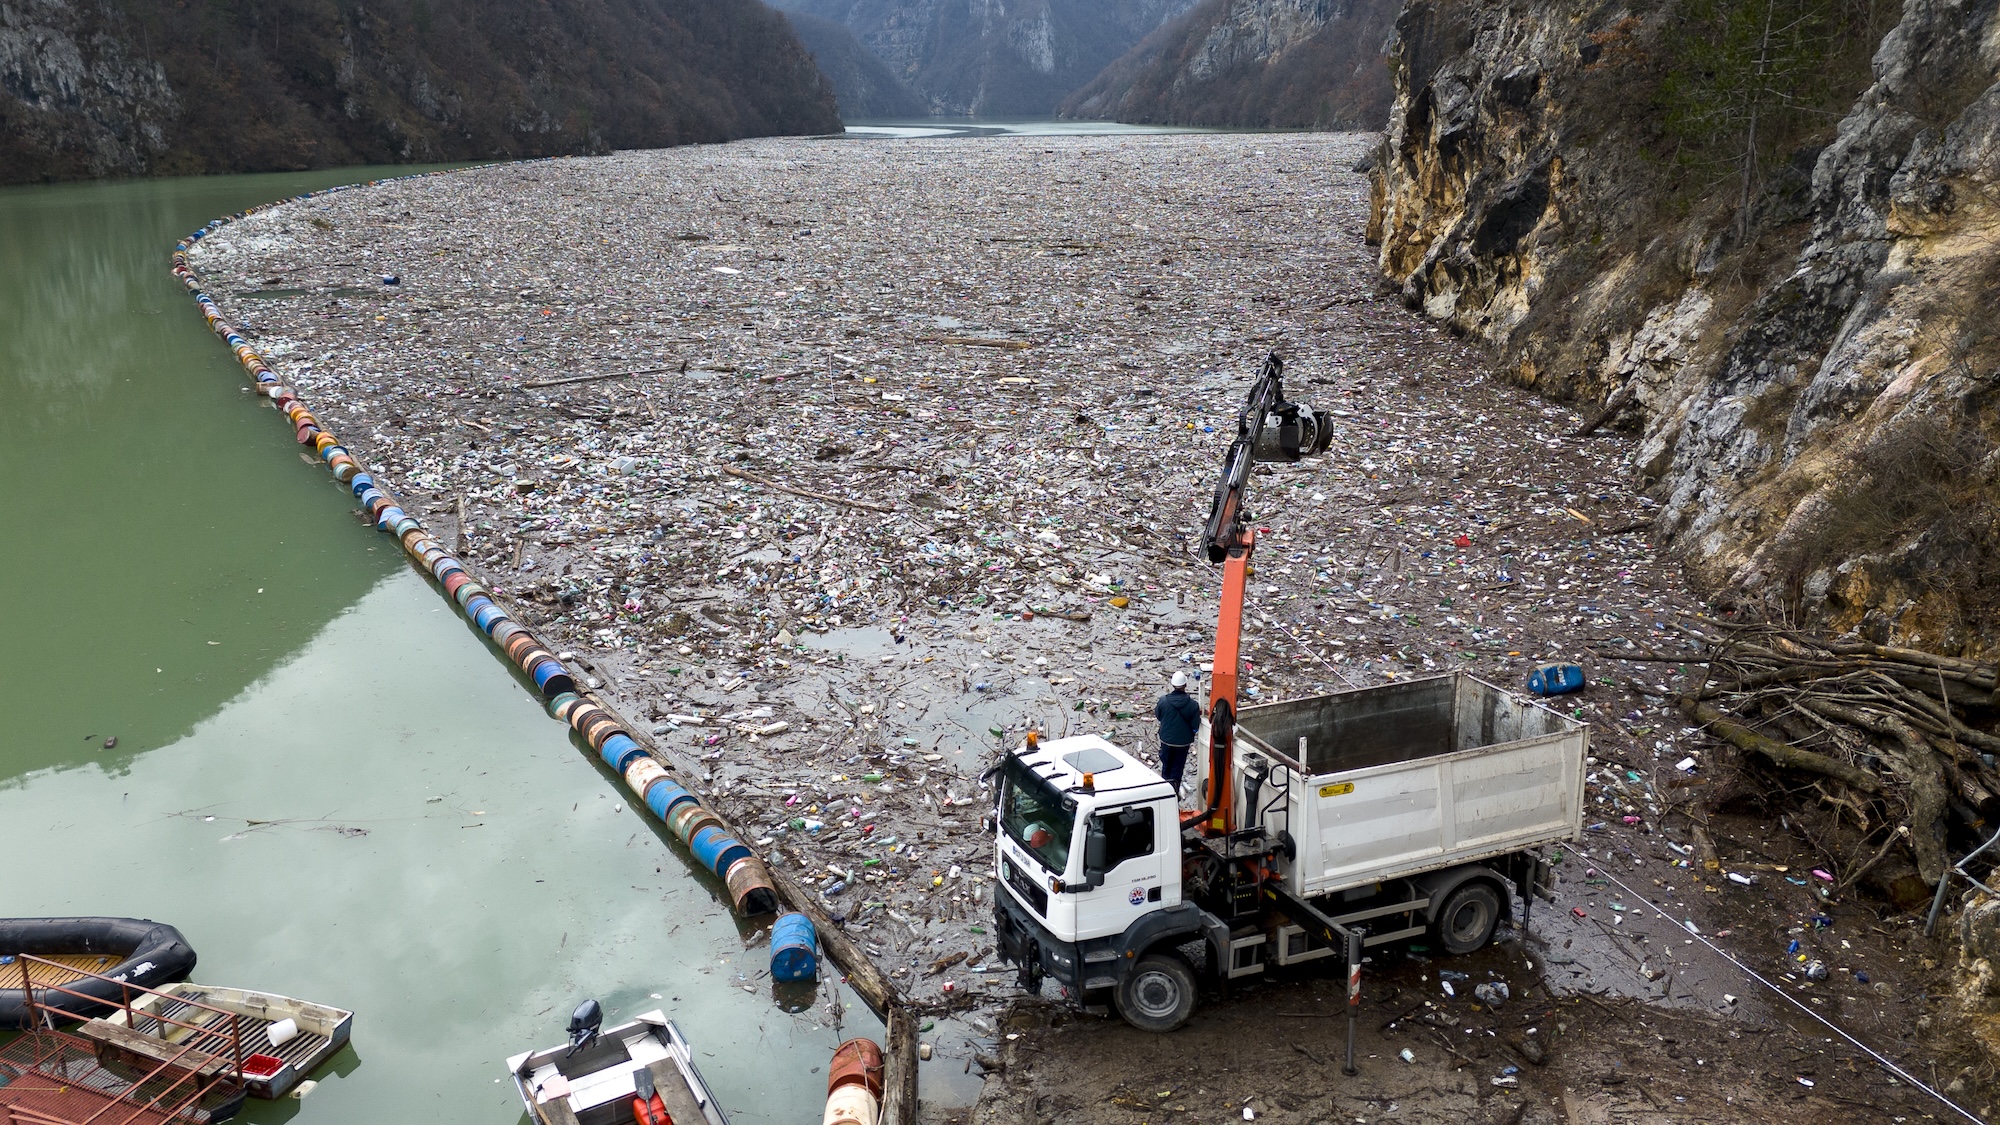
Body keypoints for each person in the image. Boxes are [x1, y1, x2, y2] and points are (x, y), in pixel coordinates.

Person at [1154, 670, 1202, 790]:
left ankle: (1165, 792)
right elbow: (1195, 724)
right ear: (1185, 685)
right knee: (1177, 769)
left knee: (1166, 767)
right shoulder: (1193, 705)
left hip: (1166, 740)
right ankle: (1174, 792)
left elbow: (1159, 716)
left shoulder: (1163, 701)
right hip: (1182, 743)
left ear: (1173, 685)